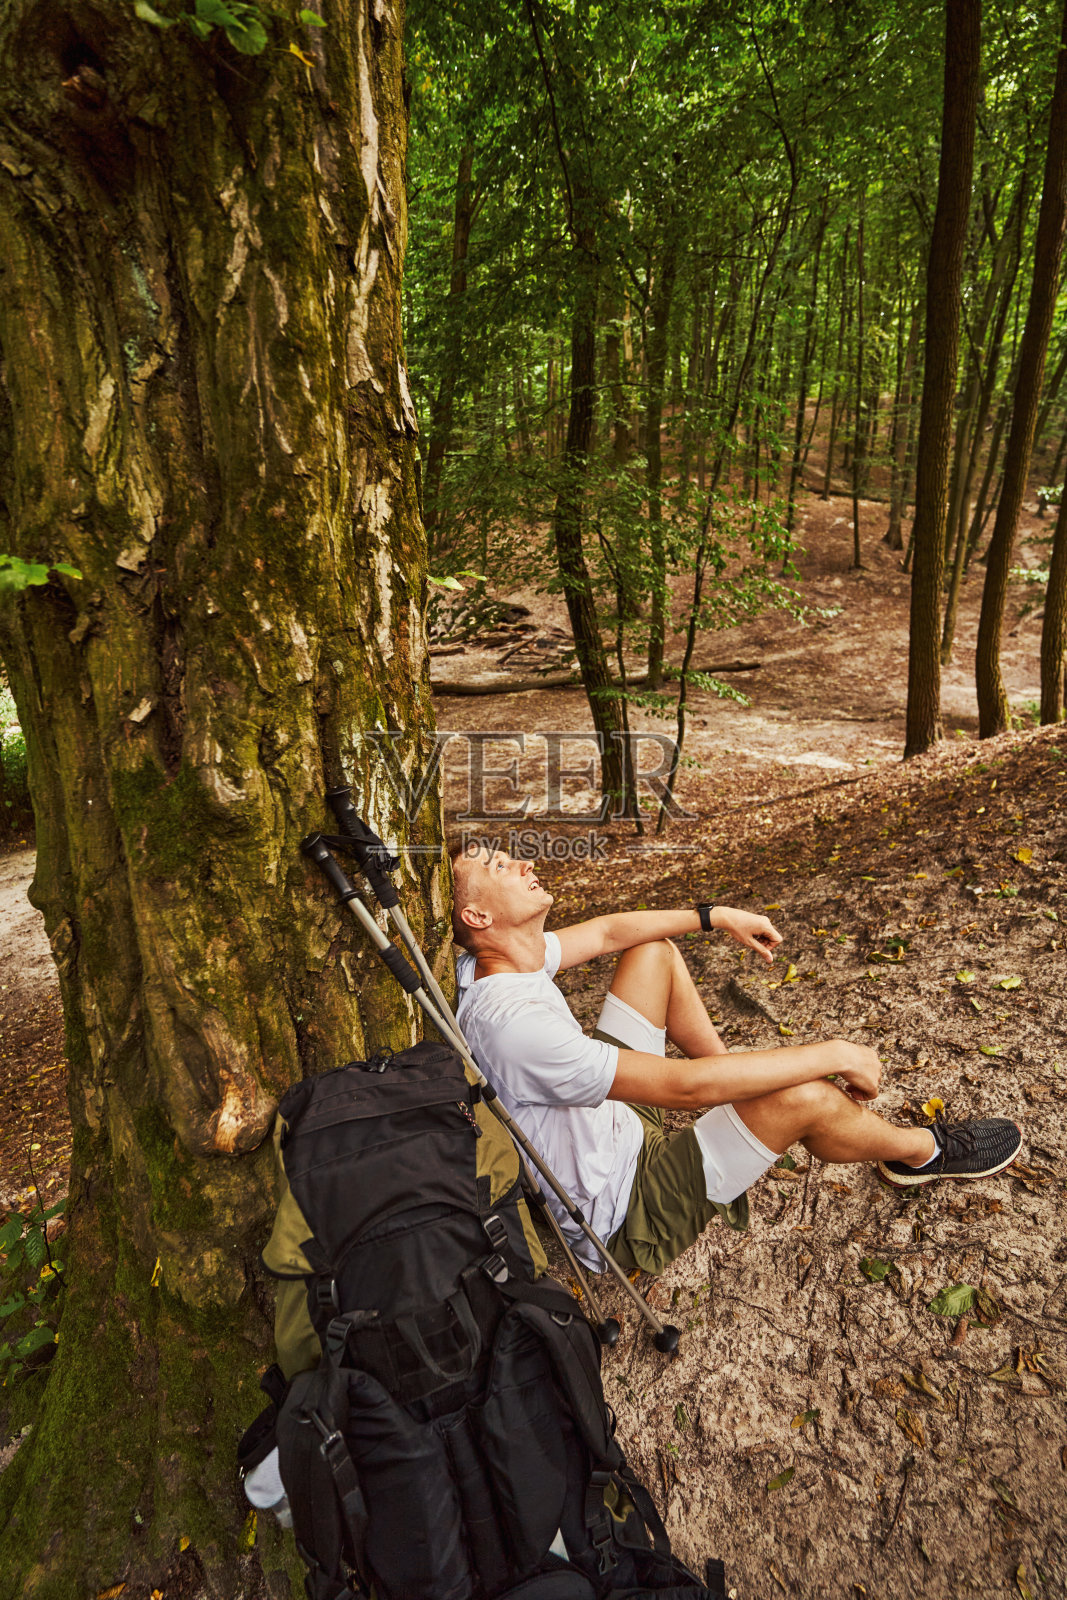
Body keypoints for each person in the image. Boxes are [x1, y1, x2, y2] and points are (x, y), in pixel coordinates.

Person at [451, 843, 1023, 1275]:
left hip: (614, 1121)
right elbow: (686, 1089)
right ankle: (923, 1154)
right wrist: (834, 1052)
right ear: (478, 918)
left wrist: (716, 915)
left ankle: (748, 1102)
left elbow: (606, 932)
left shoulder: (504, 959)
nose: (522, 864)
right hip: (626, 1208)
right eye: (498, 868)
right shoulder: (514, 1026)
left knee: (652, 953)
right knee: (808, 1095)